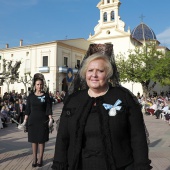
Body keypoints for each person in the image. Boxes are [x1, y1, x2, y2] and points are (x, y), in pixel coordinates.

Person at [51, 44, 152, 170]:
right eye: (90, 70)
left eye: (100, 71)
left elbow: (138, 137)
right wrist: (59, 165)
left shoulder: (124, 98)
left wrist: (141, 166)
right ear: (84, 73)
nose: (94, 75)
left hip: (119, 166)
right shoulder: (74, 100)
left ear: (108, 74)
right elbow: (62, 138)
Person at [21, 73, 53, 168]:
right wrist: (24, 121)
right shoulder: (30, 96)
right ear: (35, 85)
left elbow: (48, 108)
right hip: (32, 121)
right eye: (38, 84)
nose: (39, 86)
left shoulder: (46, 96)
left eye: (41, 84)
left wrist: (50, 119)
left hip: (43, 121)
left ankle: (40, 159)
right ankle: (34, 158)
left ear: (43, 85)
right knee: (34, 141)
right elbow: (27, 110)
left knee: (41, 140)